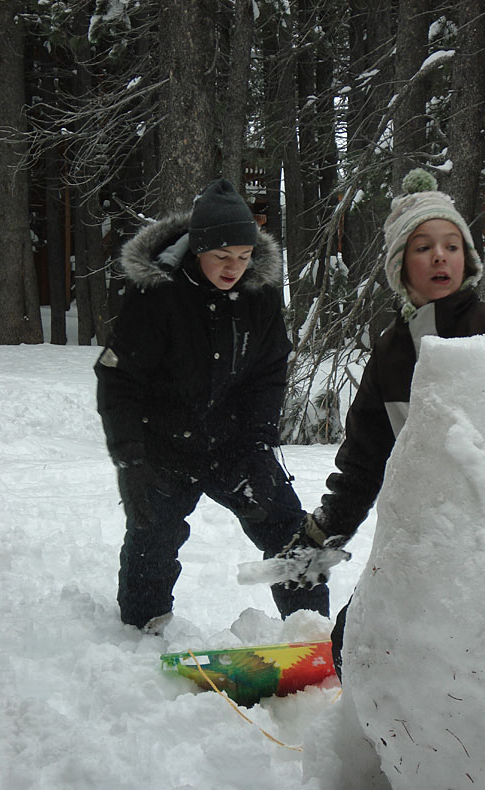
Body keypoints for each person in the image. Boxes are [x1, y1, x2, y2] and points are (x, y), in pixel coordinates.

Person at [274, 168, 485, 676]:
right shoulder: (389, 355)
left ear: (466, 259)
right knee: (354, 644)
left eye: (451, 244)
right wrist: (322, 533)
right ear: (400, 267)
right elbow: (363, 464)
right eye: (423, 246)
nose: (440, 255)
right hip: (423, 537)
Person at [95, 178, 329, 631]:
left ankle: (311, 632)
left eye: (243, 256)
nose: (233, 267)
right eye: (222, 256)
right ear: (198, 248)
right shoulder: (157, 294)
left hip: (233, 442)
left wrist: (260, 444)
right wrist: (130, 460)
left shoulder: (258, 293)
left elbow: (269, 370)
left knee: (291, 533)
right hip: (163, 444)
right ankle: (141, 640)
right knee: (153, 540)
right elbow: (117, 379)